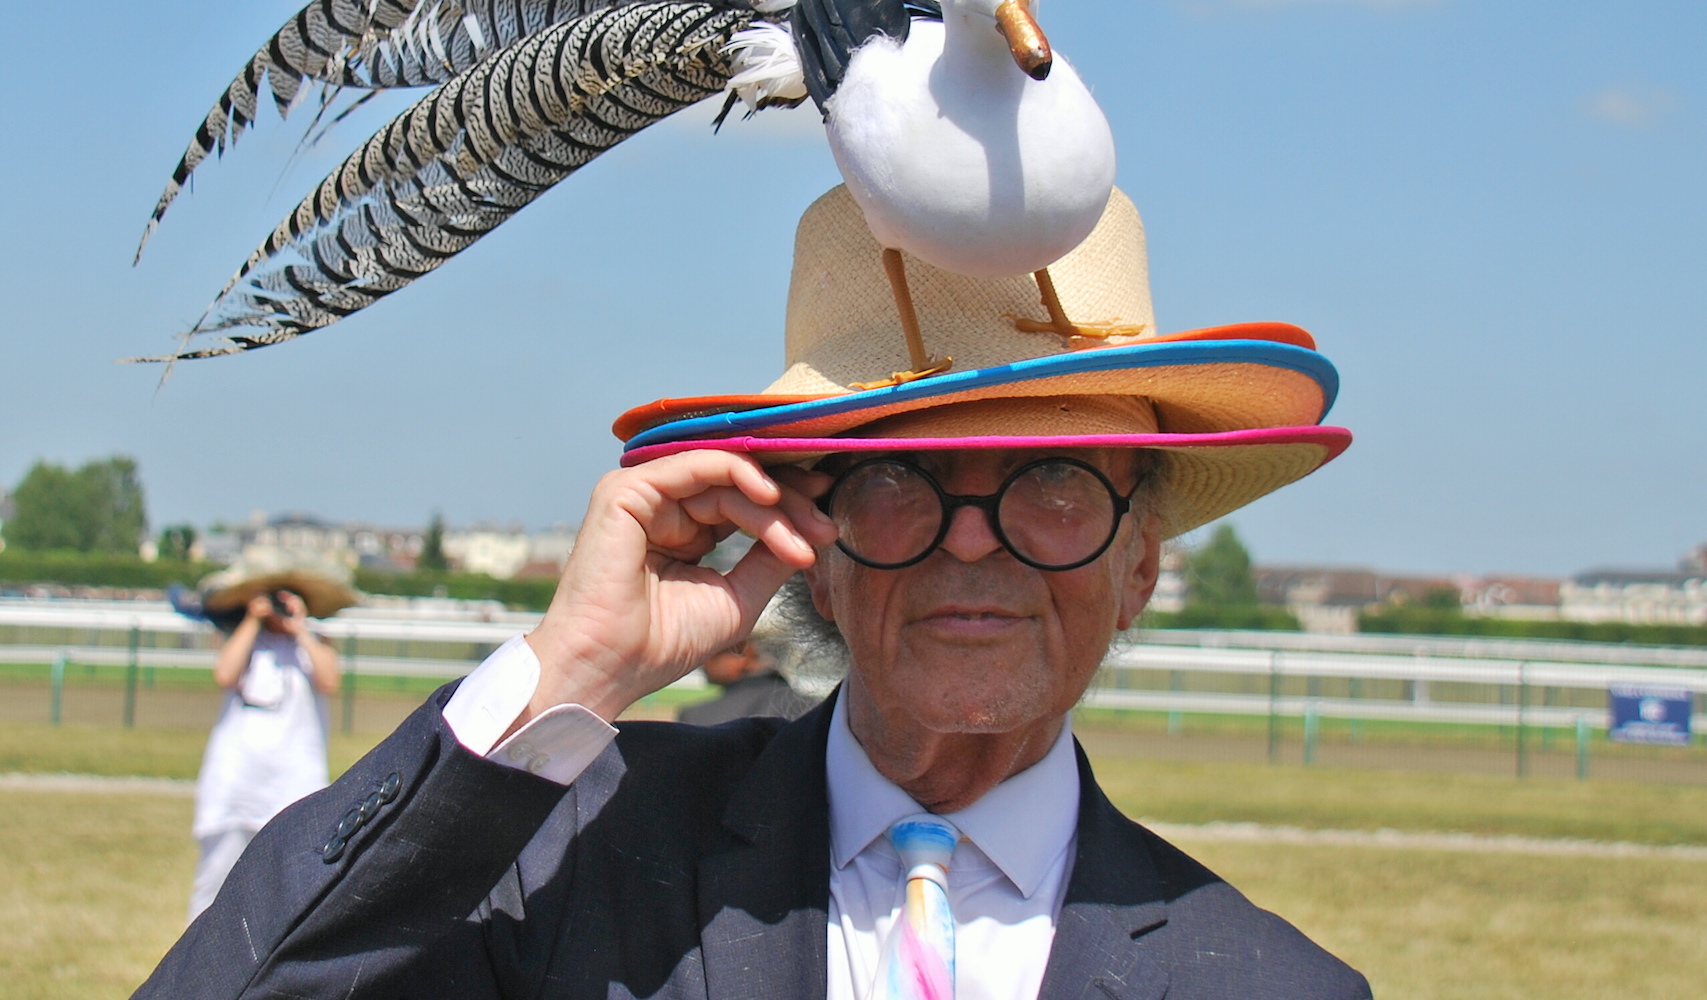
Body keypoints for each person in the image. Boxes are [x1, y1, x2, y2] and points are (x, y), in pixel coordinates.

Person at [136, 184, 1365, 998]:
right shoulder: (570, 852)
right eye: (904, 481)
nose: (975, 545)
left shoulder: (1261, 978)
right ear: (810, 542)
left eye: (1054, 483)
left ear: (1139, 561)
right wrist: (566, 676)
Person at [187, 586, 342, 921]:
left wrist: (299, 627)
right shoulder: (246, 641)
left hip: (293, 780)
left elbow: (329, 680)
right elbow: (225, 674)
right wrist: (252, 619)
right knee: (215, 884)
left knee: (294, 887)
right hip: (237, 781)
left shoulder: (313, 643)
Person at [677, 639, 817, 726]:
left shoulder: (698, 715)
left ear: (742, 654)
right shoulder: (811, 706)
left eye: (711, 655)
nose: (703, 664)